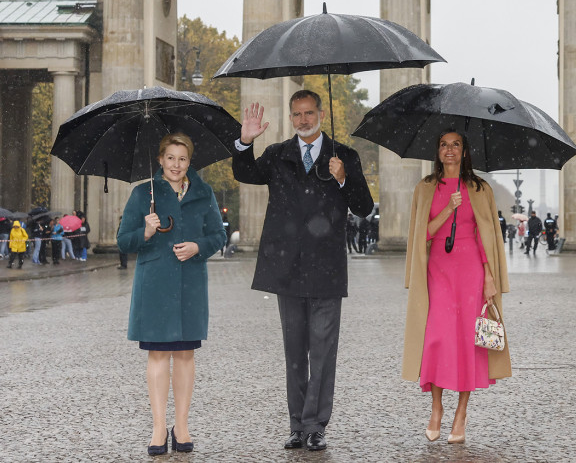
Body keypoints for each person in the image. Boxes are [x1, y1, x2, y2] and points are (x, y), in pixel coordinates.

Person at [232, 91, 374, 451]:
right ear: (292, 118)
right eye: (297, 114)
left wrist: (344, 179)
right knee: (294, 351)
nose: (303, 120)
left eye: (309, 113)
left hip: (326, 267)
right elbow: (244, 172)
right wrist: (245, 141)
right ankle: (297, 424)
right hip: (286, 266)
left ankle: (315, 425)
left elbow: (363, 207)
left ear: (321, 114)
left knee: (323, 351)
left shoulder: (345, 156)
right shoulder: (277, 154)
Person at [117, 132, 226, 455]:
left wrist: (198, 246)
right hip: (154, 284)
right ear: (160, 159)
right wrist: (146, 231)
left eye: (182, 159)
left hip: (190, 283)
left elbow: (218, 235)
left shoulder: (203, 193)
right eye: (170, 158)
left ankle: (181, 426)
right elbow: (124, 241)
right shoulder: (142, 194)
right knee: (158, 355)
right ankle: (157, 429)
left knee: (185, 355)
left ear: (189, 162)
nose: (176, 165)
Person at [402, 129, 511, 444]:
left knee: (467, 342)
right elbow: (421, 234)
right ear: (438, 151)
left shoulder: (480, 188)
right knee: (436, 337)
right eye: (444, 145)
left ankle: (461, 413)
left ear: (465, 152)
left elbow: (484, 236)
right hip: (437, 272)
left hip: (471, 273)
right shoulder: (425, 189)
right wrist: (449, 208)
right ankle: (436, 407)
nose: (449, 150)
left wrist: (489, 276)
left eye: (456, 145)